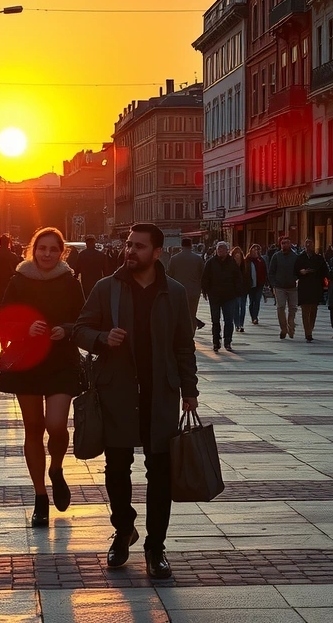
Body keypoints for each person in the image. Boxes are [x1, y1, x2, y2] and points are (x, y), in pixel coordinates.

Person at [72, 223, 198, 579]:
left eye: (139, 246)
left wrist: (190, 390)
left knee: (159, 472)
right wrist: (101, 337)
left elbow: (183, 346)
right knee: (117, 468)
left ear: (157, 252)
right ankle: (123, 530)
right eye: (128, 245)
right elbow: (79, 329)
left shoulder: (174, 292)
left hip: (161, 393)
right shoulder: (105, 288)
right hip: (118, 392)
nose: (130, 251)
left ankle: (156, 548)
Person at [0, 228, 85, 527]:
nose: (47, 254)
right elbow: (1, 320)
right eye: (42, 248)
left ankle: (56, 468)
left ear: (62, 252)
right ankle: (40, 497)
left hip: (61, 361)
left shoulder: (70, 281)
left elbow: (84, 320)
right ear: (33, 250)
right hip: (28, 361)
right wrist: (24, 329)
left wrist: (67, 329)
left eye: (53, 249)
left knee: (56, 425)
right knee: (33, 428)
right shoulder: (19, 279)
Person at [201, 240, 244, 353]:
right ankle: (216, 342)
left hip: (229, 296)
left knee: (228, 320)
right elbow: (205, 277)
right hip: (214, 296)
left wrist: (237, 292)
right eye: (219, 249)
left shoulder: (232, 263)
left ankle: (228, 341)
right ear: (216, 250)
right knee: (215, 320)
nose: (220, 251)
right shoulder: (210, 262)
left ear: (227, 251)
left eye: (223, 249)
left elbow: (238, 278)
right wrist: (205, 291)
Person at [166, 236, 205, 332]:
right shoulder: (198, 259)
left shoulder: (174, 259)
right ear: (191, 246)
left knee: (179, 313)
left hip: (178, 292)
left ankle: (181, 333)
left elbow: (169, 275)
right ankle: (191, 335)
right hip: (194, 291)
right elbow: (203, 275)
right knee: (192, 313)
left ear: (181, 246)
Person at [294, 238, 327, 342]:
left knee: (313, 310)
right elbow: (295, 271)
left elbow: (325, 271)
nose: (308, 245)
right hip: (304, 286)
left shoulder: (319, 259)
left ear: (313, 245)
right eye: (307, 243)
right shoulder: (300, 258)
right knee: (305, 310)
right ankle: (307, 332)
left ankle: (310, 328)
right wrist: (301, 272)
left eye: (310, 243)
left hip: (315, 286)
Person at [267, 236, 300, 339]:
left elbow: (298, 271)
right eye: (283, 243)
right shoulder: (276, 256)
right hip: (279, 286)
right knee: (280, 307)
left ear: (290, 244)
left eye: (287, 243)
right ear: (280, 244)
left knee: (293, 308)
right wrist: (273, 284)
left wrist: (297, 280)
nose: (285, 245)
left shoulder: (295, 257)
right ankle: (283, 328)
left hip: (292, 287)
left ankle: (291, 324)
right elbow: (271, 271)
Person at [76, 234, 111, 298]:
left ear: (86, 243)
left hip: (85, 283)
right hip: (97, 283)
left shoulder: (82, 254)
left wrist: (75, 280)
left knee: (87, 299)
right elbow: (106, 271)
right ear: (94, 243)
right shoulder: (101, 255)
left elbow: (77, 269)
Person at [246, 244, 268, 325]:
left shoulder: (261, 260)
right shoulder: (247, 260)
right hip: (251, 284)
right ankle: (253, 316)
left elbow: (265, 270)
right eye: (254, 250)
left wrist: (266, 281)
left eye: (257, 250)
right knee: (252, 301)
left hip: (260, 283)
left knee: (257, 300)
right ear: (251, 250)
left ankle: (255, 317)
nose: (256, 251)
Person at [230, 246, 249, 333]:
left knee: (243, 307)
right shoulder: (230, 266)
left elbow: (248, 277)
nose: (237, 258)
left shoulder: (244, 266)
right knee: (236, 307)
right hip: (234, 290)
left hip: (243, 290)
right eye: (235, 256)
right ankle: (237, 324)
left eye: (239, 256)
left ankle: (241, 324)